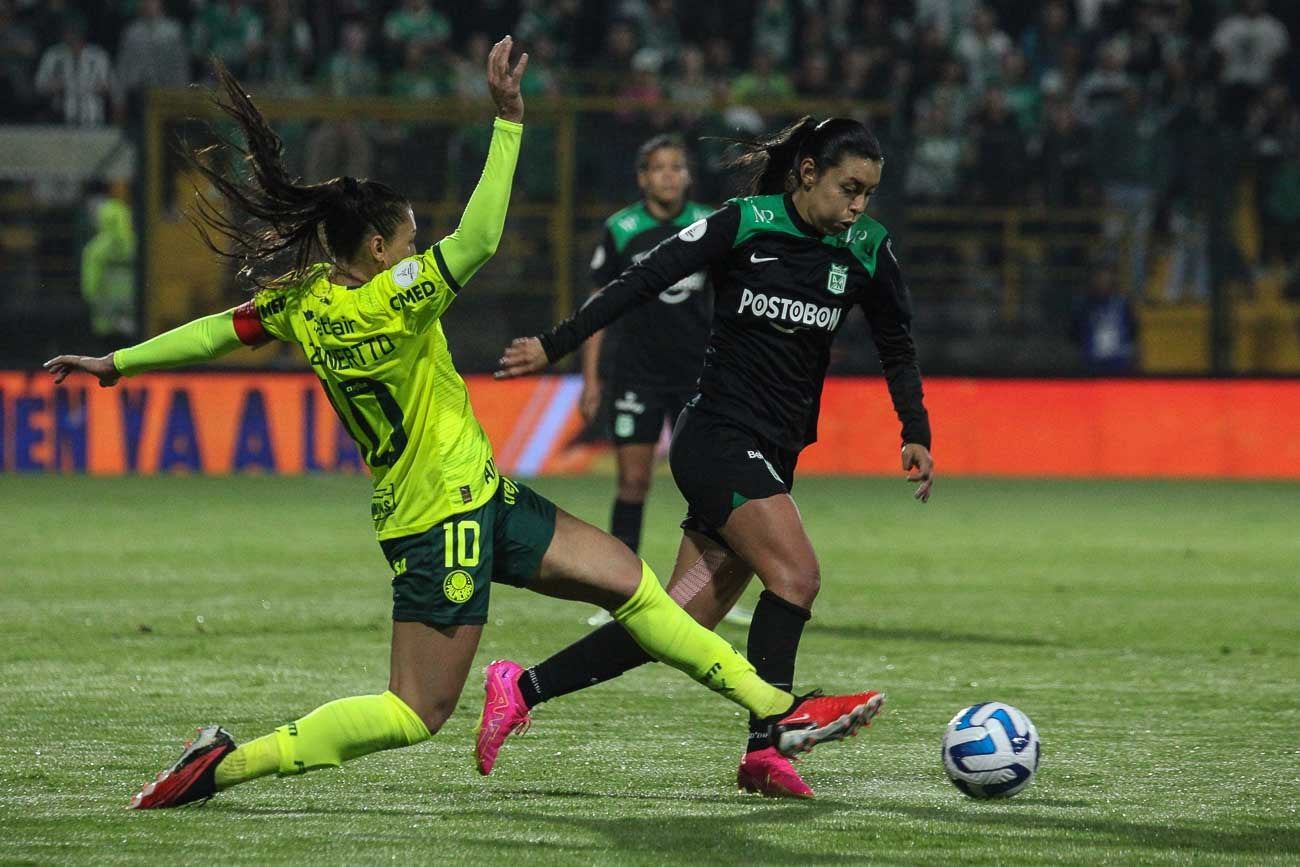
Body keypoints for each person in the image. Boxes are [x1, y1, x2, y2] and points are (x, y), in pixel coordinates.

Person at [44, 40, 879, 810]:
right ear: (376, 248)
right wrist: (509, 122)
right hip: (436, 525)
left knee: (630, 579)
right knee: (415, 710)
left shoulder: (301, 304)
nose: (416, 252)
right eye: (407, 241)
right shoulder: (398, 298)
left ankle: (780, 710)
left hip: (480, 495)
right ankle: (224, 765)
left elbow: (224, 328)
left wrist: (121, 362)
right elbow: (479, 236)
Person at [491, 116, 933, 798]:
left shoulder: (867, 250)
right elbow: (641, 280)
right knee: (798, 577)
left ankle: (520, 687)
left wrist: (915, 427)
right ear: (807, 172)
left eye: (869, 193)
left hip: (776, 450)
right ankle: (773, 737)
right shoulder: (745, 223)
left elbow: (896, 340)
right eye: (850, 188)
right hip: (719, 437)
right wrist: (557, 345)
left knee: (677, 624)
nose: (858, 206)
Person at [580, 134, 750, 628]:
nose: (669, 176)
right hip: (636, 372)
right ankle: (619, 593)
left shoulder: (709, 224)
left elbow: (733, 296)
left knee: (712, 483)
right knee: (633, 481)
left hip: (701, 373)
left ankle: (718, 588)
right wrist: (591, 378)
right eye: (659, 168)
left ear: (688, 175)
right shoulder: (621, 229)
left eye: (677, 167)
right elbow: (598, 306)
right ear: (642, 177)